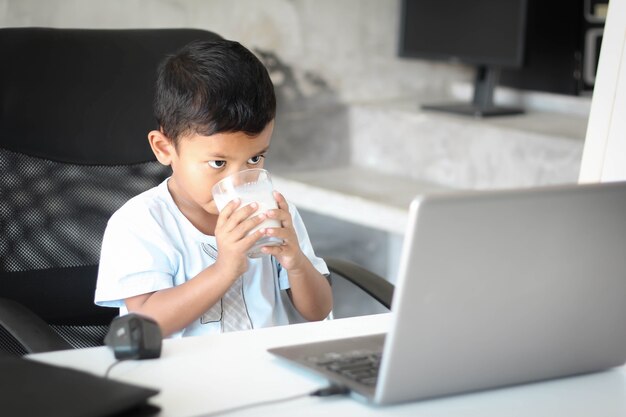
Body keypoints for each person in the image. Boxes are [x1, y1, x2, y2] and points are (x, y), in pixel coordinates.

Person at [94, 39, 333, 338]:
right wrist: (224, 269)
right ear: (164, 148)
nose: (239, 179)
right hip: (184, 376)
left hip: (268, 370)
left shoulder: (274, 214)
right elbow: (144, 325)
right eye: (218, 163)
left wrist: (296, 263)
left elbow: (318, 311)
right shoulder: (140, 224)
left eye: (255, 158)